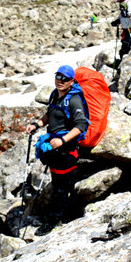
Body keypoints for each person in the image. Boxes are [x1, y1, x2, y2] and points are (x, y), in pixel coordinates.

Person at [25, 65, 88, 229]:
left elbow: (81, 125)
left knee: (61, 187)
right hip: (55, 147)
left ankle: (56, 220)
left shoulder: (73, 100)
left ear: (71, 81)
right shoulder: (55, 95)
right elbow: (49, 114)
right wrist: (36, 124)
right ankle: (57, 215)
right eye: (58, 77)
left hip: (66, 150)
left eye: (65, 78)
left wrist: (63, 141)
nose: (60, 81)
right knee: (57, 183)